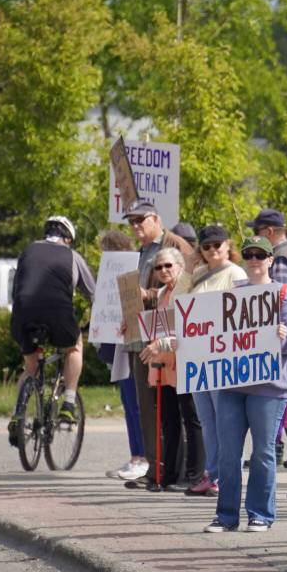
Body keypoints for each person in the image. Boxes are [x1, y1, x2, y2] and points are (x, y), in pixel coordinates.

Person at [204, 236, 287, 532]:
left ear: (271, 260)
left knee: (262, 451)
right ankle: (226, 516)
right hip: (233, 384)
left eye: (261, 254)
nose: (255, 259)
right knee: (228, 453)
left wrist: (283, 338)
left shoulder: (284, 295)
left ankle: (261, 513)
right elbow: (211, 337)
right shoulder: (234, 294)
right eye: (249, 254)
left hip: (270, 388)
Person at [122, 198, 195, 490]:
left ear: (155, 218)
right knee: (149, 407)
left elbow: (184, 285)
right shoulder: (142, 251)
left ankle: (171, 471)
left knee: (172, 409)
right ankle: (155, 469)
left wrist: (146, 293)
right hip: (144, 334)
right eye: (132, 222)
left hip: (169, 340)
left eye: (141, 220)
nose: (136, 226)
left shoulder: (175, 244)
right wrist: (129, 315)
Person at [9, 216, 96, 439]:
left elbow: (17, 286)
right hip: (56, 311)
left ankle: (17, 415)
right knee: (74, 347)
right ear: (68, 238)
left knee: (30, 367)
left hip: (22, 311)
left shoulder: (27, 251)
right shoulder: (72, 256)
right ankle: (68, 402)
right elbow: (94, 294)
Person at [183, 224, 247, 497]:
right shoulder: (197, 275)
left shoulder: (236, 273)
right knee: (207, 419)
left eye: (217, 245)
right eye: (206, 246)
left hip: (224, 356)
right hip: (197, 356)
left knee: (225, 419)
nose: (212, 250)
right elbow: (176, 305)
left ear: (227, 245)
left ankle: (227, 474)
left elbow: (245, 312)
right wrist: (187, 269)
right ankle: (212, 473)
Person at [138, 247, 204, 492]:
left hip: (184, 362)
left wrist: (159, 344)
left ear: (179, 266)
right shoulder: (162, 293)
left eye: (168, 266)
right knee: (169, 421)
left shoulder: (187, 290)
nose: (164, 271)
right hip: (163, 364)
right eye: (159, 267)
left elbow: (187, 328)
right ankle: (168, 475)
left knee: (192, 419)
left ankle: (194, 475)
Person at [98, 230, 149, 481]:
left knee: (135, 402)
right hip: (119, 344)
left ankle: (142, 456)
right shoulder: (111, 274)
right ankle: (136, 455)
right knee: (128, 403)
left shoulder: (134, 269)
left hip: (133, 343)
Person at [247, 208, 287, 296]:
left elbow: (280, 300)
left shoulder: (280, 258)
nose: (255, 235)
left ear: (269, 231)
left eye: (256, 231)